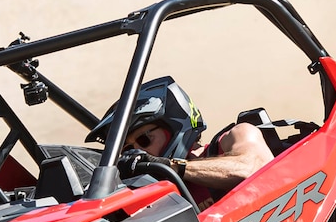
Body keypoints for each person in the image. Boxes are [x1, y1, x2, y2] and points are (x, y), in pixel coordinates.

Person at [85, 76, 273, 204]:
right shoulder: (152, 193)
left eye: (144, 139)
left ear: (173, 128)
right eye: (127, 149)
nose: (138, 152)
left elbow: (253, 168)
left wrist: (169, 165)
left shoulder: (235, 136)